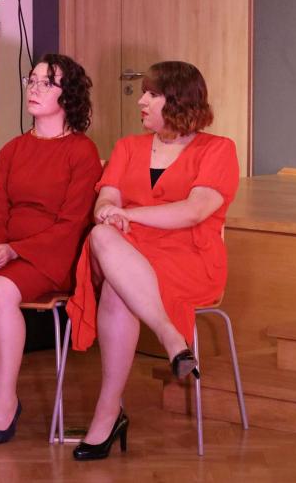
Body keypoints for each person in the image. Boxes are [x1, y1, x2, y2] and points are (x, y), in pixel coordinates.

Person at [66, 61, 239, 460]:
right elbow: (106, 199)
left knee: (117, 285)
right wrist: (110, 212)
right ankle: (170, 337)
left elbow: (194, 211)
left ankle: (108, 415)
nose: (141, 100)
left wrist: (130, 214)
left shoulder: (218, 149)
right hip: (127, 249)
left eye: (152, 94)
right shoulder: (128, 147)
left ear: (178, 100)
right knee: (101, 236)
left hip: (189, 258)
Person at [0, 54, 102, 444]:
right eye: (32, 80)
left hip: (54, 254)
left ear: (68, 94)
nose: (34, 88)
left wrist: (16, 251)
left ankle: (0, 406)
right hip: (8, 249)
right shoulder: (14, 149)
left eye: (47, 82)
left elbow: (72, 225)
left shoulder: (81, 151)